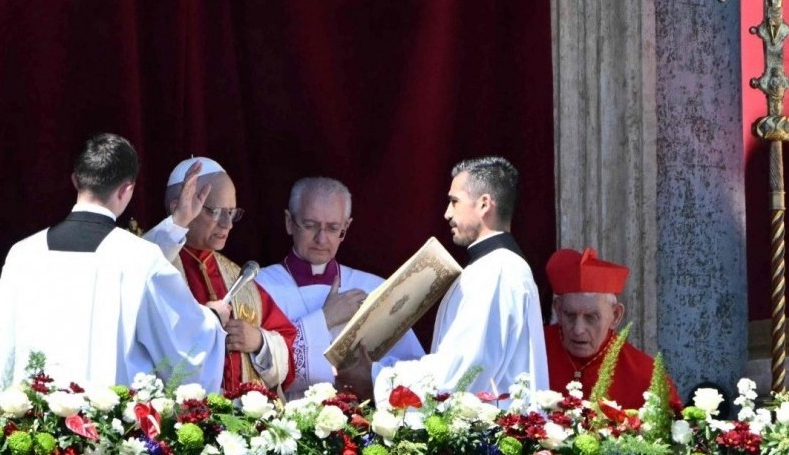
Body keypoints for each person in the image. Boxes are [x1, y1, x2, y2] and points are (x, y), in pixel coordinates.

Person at [0, 134, 230, 392]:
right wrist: (213, 318)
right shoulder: (138, 258)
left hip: (35, 422)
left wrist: (179, 221)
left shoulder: (22, 254)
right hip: (108, 426)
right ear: (127, 189)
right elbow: (185, 350)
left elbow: (8, 350)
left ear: (76, 180)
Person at [369, 156, 549, 402]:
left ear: (484, 204)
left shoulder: (498, 269)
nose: (446, 213)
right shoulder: (491, 267)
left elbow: (462, 372)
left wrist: (379, 377)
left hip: (490, 433)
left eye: (454, 202)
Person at [256, 177, 425, 399]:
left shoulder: (374, 288)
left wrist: (371, 374)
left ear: (345, 228)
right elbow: (252, 369)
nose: (321, 238)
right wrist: (324, 319)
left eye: (333, 228)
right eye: (310, 225)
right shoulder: (258, 287)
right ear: (289, 222)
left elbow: (413, 368)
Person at [143, 157, 297, 396]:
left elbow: (289, 347)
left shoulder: (239, 277)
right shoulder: (152, 261)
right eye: (215, 212)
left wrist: (259, 342)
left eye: (232, 212)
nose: (228, 224)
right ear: (178, 207)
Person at [543, 247, 681, 410]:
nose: (578, 329)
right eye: (570, 315)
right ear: (558, 310)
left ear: (616, 315)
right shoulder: (532, 351)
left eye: (591, 317)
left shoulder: (646, 377)